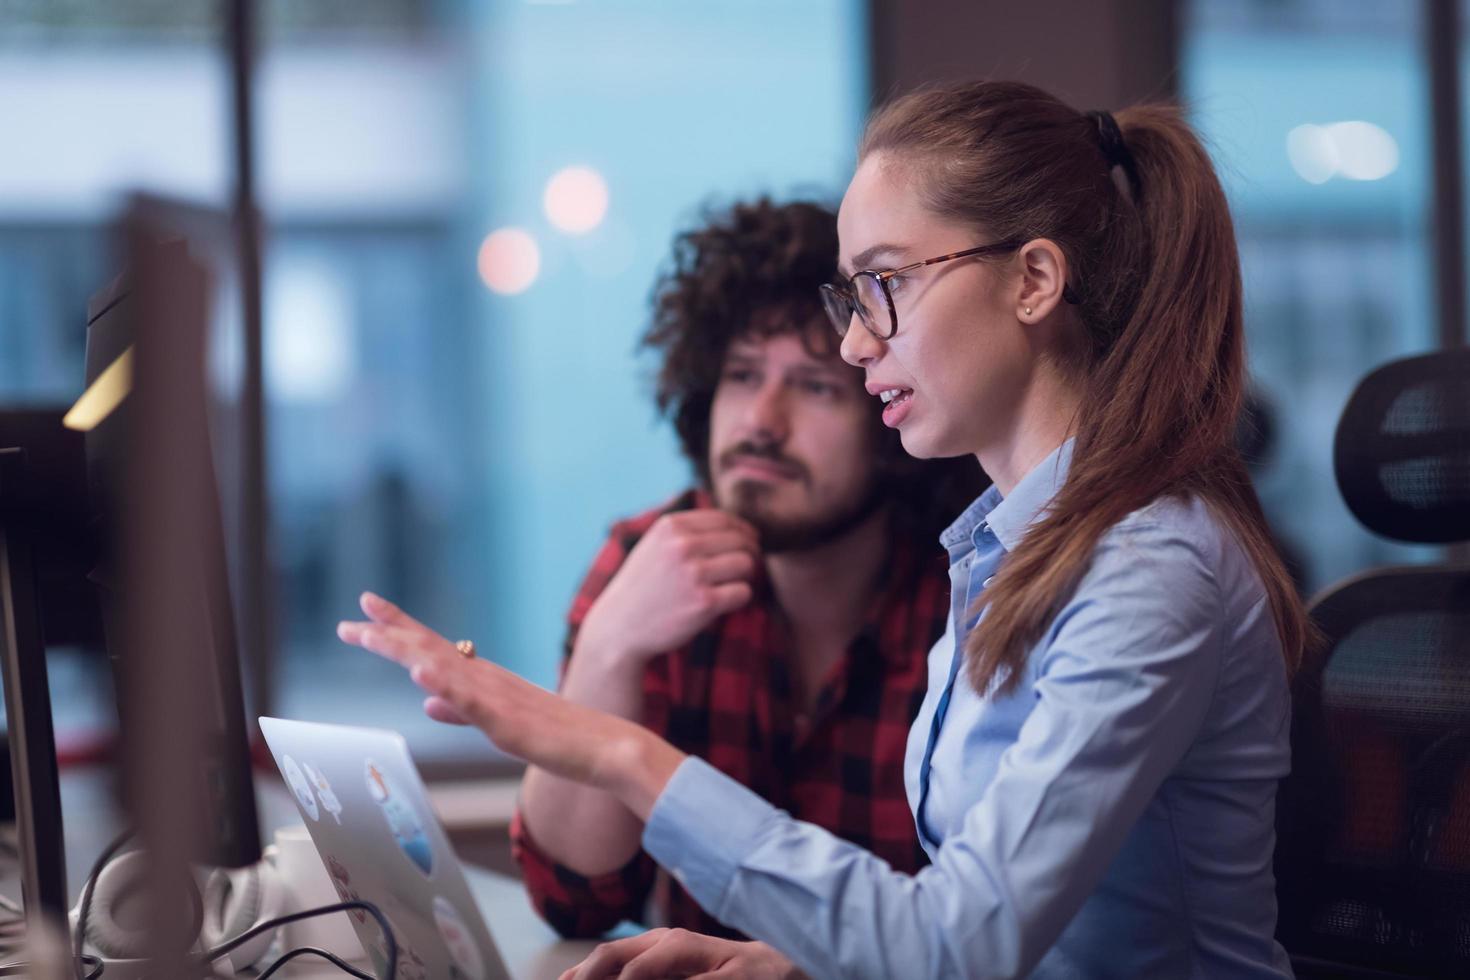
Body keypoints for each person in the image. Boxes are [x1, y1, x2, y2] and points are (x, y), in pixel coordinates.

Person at [339, 80, 1311, 979]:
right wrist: (795, 962)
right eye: (852, 295)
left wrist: (617, 752)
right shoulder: (1003, 549)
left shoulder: (1151, 564)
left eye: (885, 282)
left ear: (1033, 281)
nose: (855, 342)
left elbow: (961, 944)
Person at [510, 199, 980, 939]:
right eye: (740, 374)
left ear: (890, 408)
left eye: (816, 386)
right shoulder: (649, 562)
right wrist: (609, 648)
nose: (761, 419)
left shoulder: (969, 596)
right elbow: (573, 897)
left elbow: (989, 934)